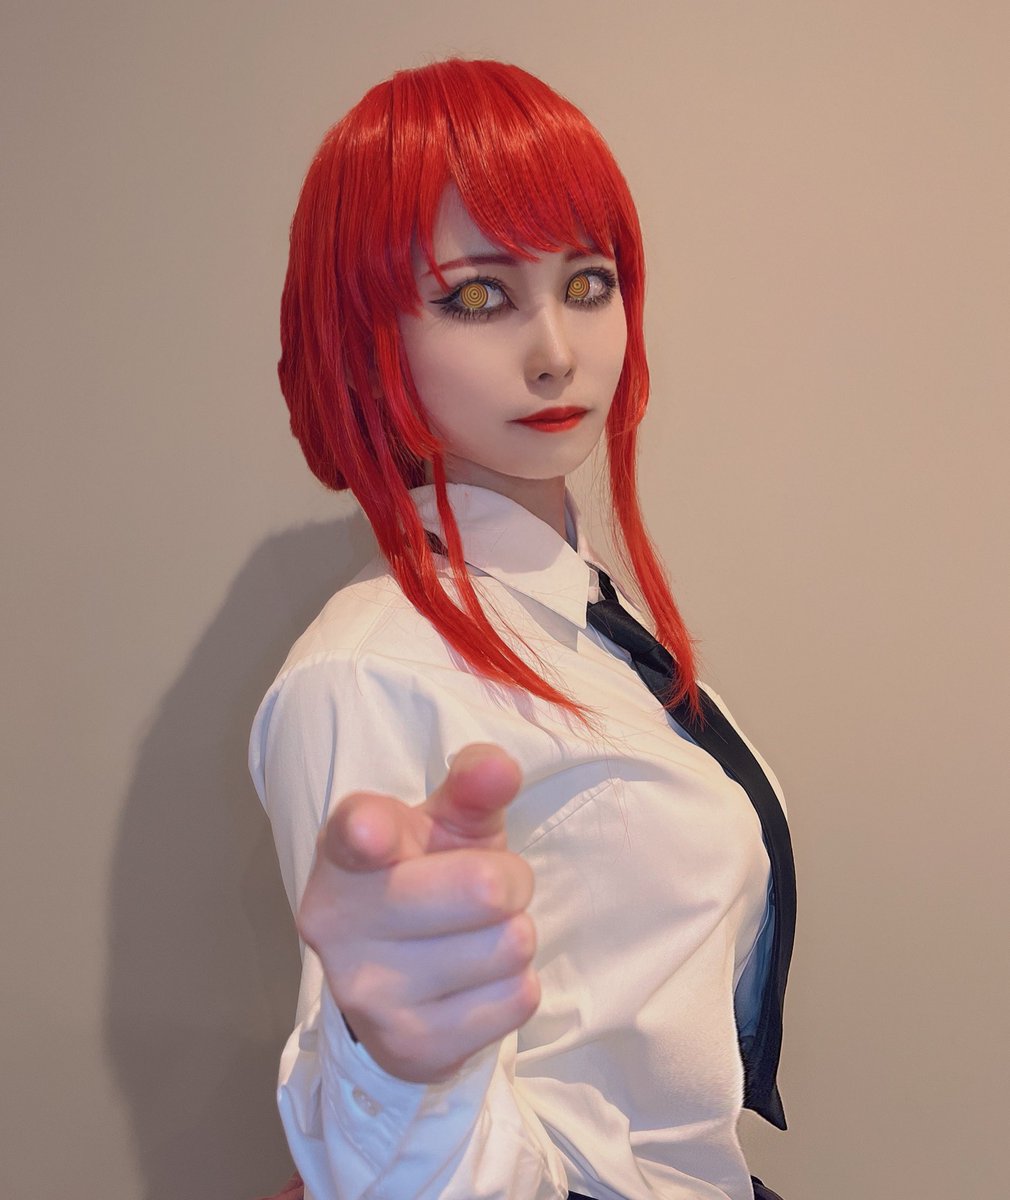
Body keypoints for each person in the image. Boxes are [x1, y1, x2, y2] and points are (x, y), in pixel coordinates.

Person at [250, 58, 793, 1200]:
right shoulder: (370, 673)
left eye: (588, 283)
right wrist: (396, 1066)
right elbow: (398, 1171)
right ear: (364, 333)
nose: (554, 349)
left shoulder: (585, 623)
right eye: (477, 298)